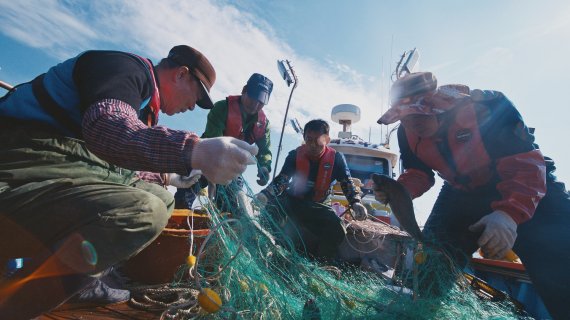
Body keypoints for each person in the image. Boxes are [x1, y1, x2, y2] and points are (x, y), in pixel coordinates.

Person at [0, 45, 258, 319]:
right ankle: (14, 305)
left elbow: (102, 163)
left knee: (164, 197)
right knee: (146, 210)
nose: (194, 105)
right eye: (197, 95)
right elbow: (106, 127)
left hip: (44, 175)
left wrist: (167, 175)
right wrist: (194, 150)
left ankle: (80, 279)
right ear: (181, 74)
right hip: (14, 170)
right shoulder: (124, 70)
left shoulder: (144, 105)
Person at [375, 72, 570, 319]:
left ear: (437, 103)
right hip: (461, 191)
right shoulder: (406, 132)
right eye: (405, 117)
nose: (413, 123)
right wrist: (399, 191)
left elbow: (525, 165)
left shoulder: (488, 106)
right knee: (432, 266)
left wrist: (508, 213)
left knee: (562, 264)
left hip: (527, 184)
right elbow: (418, 172)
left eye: (420, 113)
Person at [255, 119, 368, 261]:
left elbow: (347, 183)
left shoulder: (337, 159)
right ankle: (265, 249)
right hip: (293, 203)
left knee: (338, 229)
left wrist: (356, 202)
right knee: (270, 209)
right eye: (309, 139)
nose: (313, 144)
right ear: (304, 138)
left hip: (318, 206)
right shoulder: (294, 156)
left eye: (318, 140)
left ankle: (320, 263)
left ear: (327, 139)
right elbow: (282, 179)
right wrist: (266, 194)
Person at [175, 73, 273, 213]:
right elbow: (213, 138)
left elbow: (264, 150)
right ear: (244, 90)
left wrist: (264, 167)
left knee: (231, 208)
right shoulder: (222, 107)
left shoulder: (264, 124)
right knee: (186, 191)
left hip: (232, 168)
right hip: (205, 157)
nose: (256, 105)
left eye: (261, 102)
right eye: (253, 98)